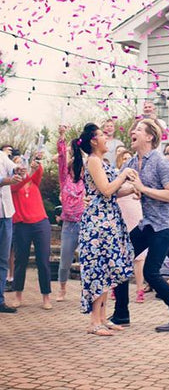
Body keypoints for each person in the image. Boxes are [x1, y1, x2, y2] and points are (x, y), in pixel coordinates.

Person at [111, 119, 169, 332]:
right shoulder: (130, 163)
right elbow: (114, 190)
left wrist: (143, 189)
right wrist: (130, 189)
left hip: (166, 225)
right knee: (120, 262)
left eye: (138, 130)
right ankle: (121, 315)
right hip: (146, 223)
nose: (132, 132)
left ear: (150, 137)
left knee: (151, 272)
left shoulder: (160, 162)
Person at [72, 123, 135, 336]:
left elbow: (113, 191)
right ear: (93, 141)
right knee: (98, 269)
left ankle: (102, 318)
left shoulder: (101, 161)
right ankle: (94, 322)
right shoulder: (93, 161)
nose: (106, 138)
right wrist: (124, 173)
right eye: (101, 135)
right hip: (98, 222)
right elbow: (107, 190)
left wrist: (134, 188)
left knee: (107, 269)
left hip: (109, 219)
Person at [10, 153, 53, 310]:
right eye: (18, 163)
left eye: (23, 162)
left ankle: (46, 297)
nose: (21, 166)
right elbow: (20, 184)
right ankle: (18, 296)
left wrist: (37, 165)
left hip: (40, 223)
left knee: (43, 260)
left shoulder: (34, 181)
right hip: (21, 225)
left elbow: (38, 173)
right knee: (21, 261)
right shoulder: (13, 184)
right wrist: (26, 173)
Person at [56, 124, 85, 302]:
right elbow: (61, 157)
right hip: (69, 224)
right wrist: (62, 135)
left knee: (87, 260)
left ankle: (86, 290)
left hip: (85, 223)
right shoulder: (64, 178)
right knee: (65, 260)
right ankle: (62, 289)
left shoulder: (86, 181)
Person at [115, 149, 146, 304]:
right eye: (124, 158)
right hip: (120, 214)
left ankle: (140, 289)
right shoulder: (115, 176)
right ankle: (117, 287)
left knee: (139, 256)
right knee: (119, 252)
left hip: (135, 213)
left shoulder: (138, 178)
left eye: (129, 158)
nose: (127, 160)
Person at [0, 150, 23, 313]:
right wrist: (7, 180)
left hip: (6, 214)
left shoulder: (2, 155)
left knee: (3, 260)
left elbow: (12, 166)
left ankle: (0, 301)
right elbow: (5, 180)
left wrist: (18, 170)